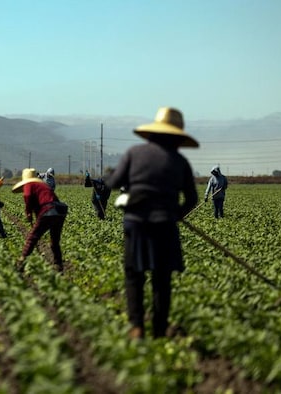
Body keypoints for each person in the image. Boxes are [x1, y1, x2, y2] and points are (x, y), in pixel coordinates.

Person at [106, 107, 199, 340]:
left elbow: (115, 182)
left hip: (136, 223)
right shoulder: (180, 161)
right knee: (161, 278)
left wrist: (108, 175)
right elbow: (192, 199)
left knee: (134, 274)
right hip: (165, 224)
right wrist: (177, 213)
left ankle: (137, 326)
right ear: (177, 137)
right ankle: (159, 329)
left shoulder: (134, 153)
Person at [13, 168, 67, 272]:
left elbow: (28, 197)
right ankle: (58, 264)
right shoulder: (43, 185)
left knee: (32, 237)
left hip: (49, 211)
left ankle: (21, 262)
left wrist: (28, 213)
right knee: (54, 241)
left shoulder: (29, 185)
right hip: (60, 211)